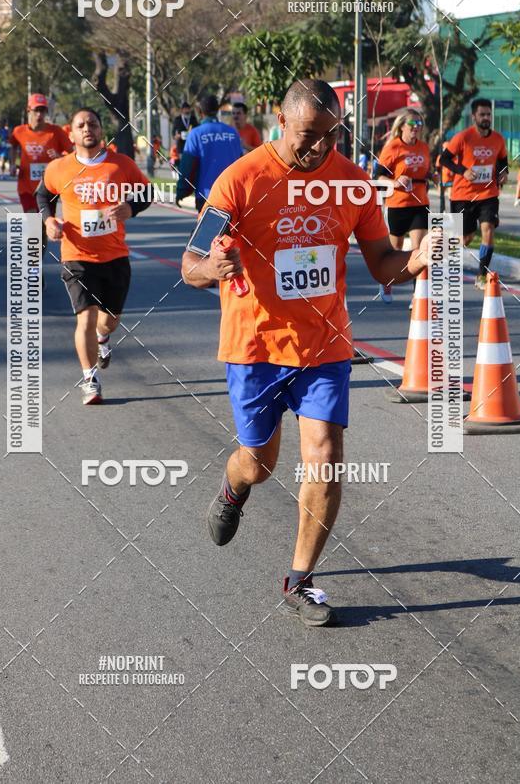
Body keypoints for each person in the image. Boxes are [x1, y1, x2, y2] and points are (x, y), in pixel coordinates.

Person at [181, 79, 437, 627]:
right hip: (254, 347)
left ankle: (300, 579)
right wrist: (213, 269)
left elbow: (381, 266)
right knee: (260, 463)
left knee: (323, 451)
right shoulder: (239, 180)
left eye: (331, 136)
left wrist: (416, 259)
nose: (320, 148)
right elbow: (191, 264)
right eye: (308, 136)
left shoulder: (351, 184)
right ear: (280, 118)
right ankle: (233, 488)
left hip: (324, 345)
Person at [36, 107, 152, 405]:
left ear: (101, 131)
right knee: (85, 318)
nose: (87, 128)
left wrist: (131, 208)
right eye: (81, 125)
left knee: (109, 321)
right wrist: (49, 221)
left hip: (115, 256)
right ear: (71, 133)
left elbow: (146, 192)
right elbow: (43, 195)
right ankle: (89, 379)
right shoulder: (58, 168)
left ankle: (104, 339)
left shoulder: (121, 164)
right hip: (76, 256)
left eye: (93, 124)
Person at [441, 98, 508, 289]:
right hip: (463, 195)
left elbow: (503, 160)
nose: (486, 118)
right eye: (482, 114)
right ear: (474, 117)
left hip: (488, 193)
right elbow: (445, 159)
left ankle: (481, 276)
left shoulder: (498, 139)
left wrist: (503, 173)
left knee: (488, 229)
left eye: (488, 114)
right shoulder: (463, 137)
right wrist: (463, 171)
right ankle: (440, 258)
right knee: (466, 238)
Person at [375, 109, 431, 304]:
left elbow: (424, 172)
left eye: (419, 124)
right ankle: (386, 281)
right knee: (395, 249)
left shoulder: (424, 147)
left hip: (420, 203)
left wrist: (433, 177)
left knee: (419, 249)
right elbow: (379, 176)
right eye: (412, 124)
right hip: (398, 204)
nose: (416, 128)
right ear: (402, 127)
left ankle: (418, 296)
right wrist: (395, 183)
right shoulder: (393, 147)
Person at [176, 94, 242, 211]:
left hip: (207, 197)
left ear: (200, 111)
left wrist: (182, 191)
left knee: (208, 229)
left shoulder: (195, 134)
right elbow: (242, 164)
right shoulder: (233, 133)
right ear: (217, 110)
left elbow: (187, 167)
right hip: (234, 196)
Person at [9, 94, 72, 213]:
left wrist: (60, 157)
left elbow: (74, 155)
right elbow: (13, 146)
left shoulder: (56, 132)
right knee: (32, 219)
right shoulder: (19, 131)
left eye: (43, 111)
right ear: (28, 110)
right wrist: (13, 164)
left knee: (45, 225)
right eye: (36, 110)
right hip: (26, 186)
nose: (39, 114)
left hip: (48, 187)